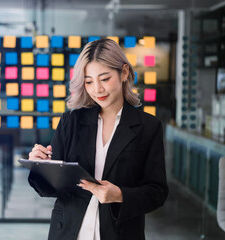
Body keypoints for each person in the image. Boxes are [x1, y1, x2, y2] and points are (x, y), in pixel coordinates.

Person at [27, 38, 168, 240]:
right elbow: (49, 189)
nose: (97, 89)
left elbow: (157, 192)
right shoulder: (71, 122)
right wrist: (40, 166)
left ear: (124, 73)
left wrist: (119, 194)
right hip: (68, 232)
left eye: (104, 78)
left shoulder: (148, 127)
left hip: (120, 233)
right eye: (89, 81)